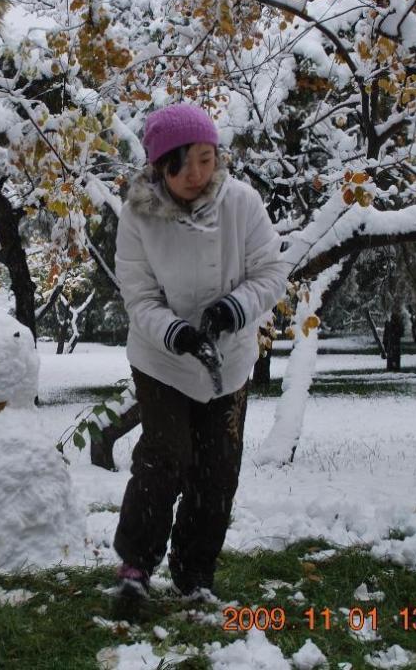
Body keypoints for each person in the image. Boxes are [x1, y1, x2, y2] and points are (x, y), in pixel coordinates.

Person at [113, 102, 290, 600]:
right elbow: (139, 297)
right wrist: (178, 334)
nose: (197, 174)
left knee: (217, 468)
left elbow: (271, 272)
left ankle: (194, 573)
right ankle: (136, 566)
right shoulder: (137, 216)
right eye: (183, 162)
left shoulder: (242, 204)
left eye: (207, 159)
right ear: (158, 165)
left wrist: (234, 308)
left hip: (228, 358)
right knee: (165, 457)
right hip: (161, 357)